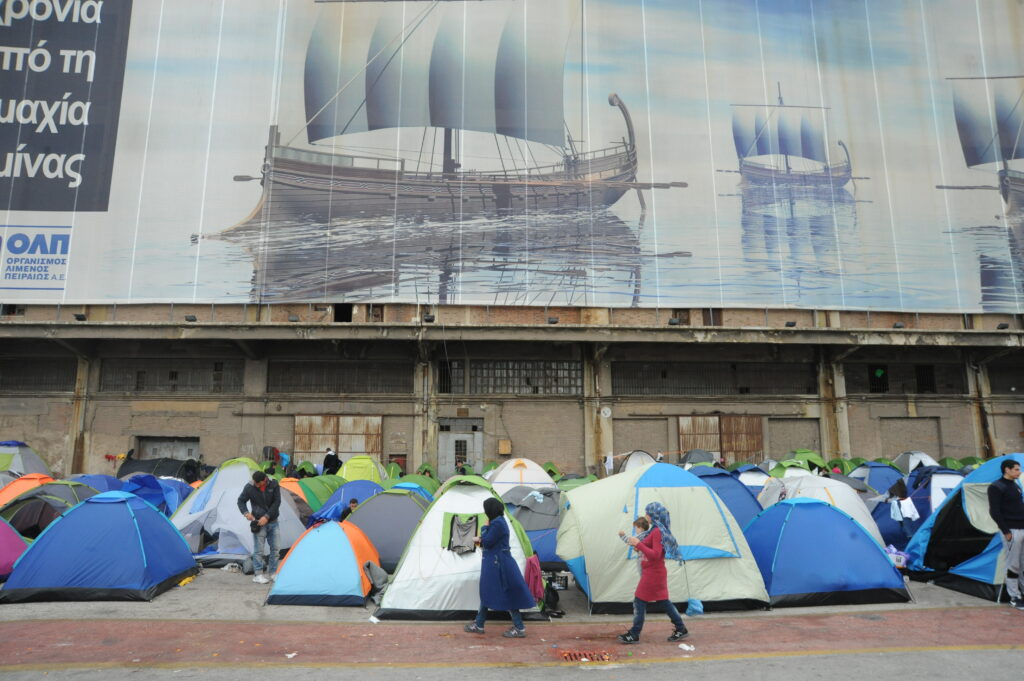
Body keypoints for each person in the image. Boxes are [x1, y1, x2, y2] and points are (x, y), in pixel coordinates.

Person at [616, 502, 689, 644]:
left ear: (654, 516)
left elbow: (655, 555)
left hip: (653, 574)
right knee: (664, 602)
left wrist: (638, 544)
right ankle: (681, 628)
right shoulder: (656, 529)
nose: (646, 515)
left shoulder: (656, 532)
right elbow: (651, 550)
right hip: (656, 572)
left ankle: (634, 634)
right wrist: (639, 546)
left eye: (648, 513)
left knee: (639, 601)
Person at [464, 497, 535, 638]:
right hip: (496, 563)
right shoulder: (498, 522)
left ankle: (519, 628)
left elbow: (488, 541)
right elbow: (488, 542)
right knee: (488, 592)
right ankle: (479, 624)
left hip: (499, 564)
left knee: (506, 593)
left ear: (490, 510)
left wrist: (484, 528)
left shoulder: (497, 523)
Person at [987, 459, 1024, 609]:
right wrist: (1006, 531)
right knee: (1013, 565)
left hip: (1023, 528)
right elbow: (994, 511)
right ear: (1007, 470)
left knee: (1023, 564)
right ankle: (1014, 596)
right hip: (1011, 530)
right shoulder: (996, 487)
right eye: (1016, 469)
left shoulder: (1016, 486)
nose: (1019, 472)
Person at [236, 470, 281, 584]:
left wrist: (267, 516)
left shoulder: (274, 484)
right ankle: (258, 575)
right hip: (258, 523)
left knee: (275, 549)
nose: (255, 484)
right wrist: (246, 513)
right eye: (254, 482)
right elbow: (240, 501)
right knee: (259, 551)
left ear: (264, 480)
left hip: (273, 522)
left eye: (258, 483)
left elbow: (277, 502)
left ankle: (273, 573)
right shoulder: (249, 487)